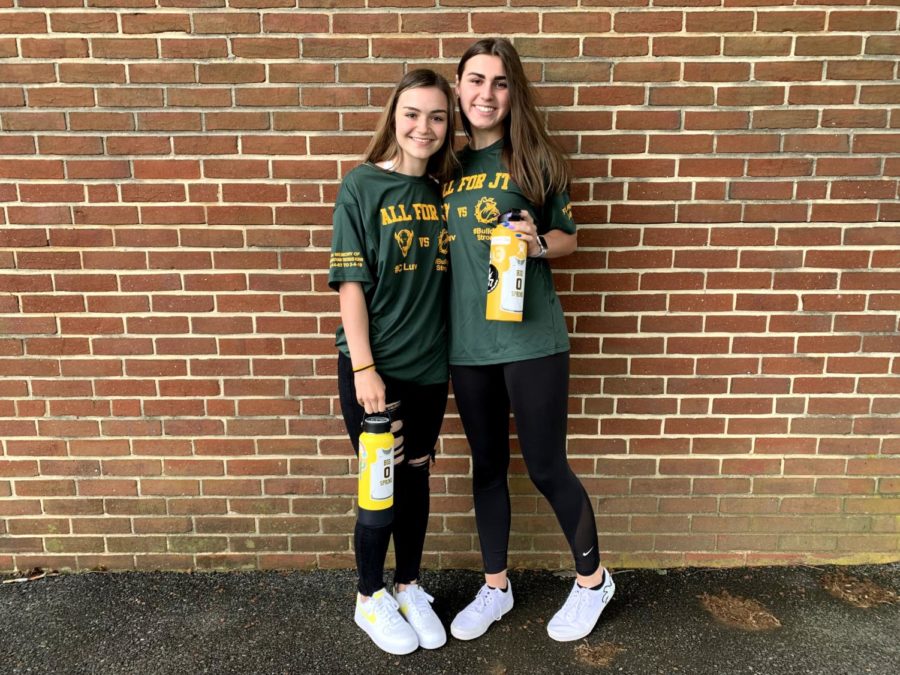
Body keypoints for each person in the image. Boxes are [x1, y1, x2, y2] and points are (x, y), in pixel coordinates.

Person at [443, 38, 615, 643]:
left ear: (513, 92)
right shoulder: (444, 166)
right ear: (457, 89)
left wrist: (538, 242)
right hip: (466, 345)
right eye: (474, 80)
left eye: (499, 82)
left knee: (545, 466)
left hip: (533, 337)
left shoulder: (534, 158)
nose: (485, 94)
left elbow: (570, 238)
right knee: (487, 467)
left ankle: (593, 581)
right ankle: (496, 587)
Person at [327, 69, 457, 655]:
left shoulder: (446, 193)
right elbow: (350, 284)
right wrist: (363, 369)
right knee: (381, 484)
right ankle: (368, 596)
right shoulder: (361, 186)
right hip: (375, 370)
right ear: (394, 117)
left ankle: (407, 585)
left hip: (431, 370)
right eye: (412, 113)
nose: (423, 127)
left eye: (436, 116)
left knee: (418, 474)